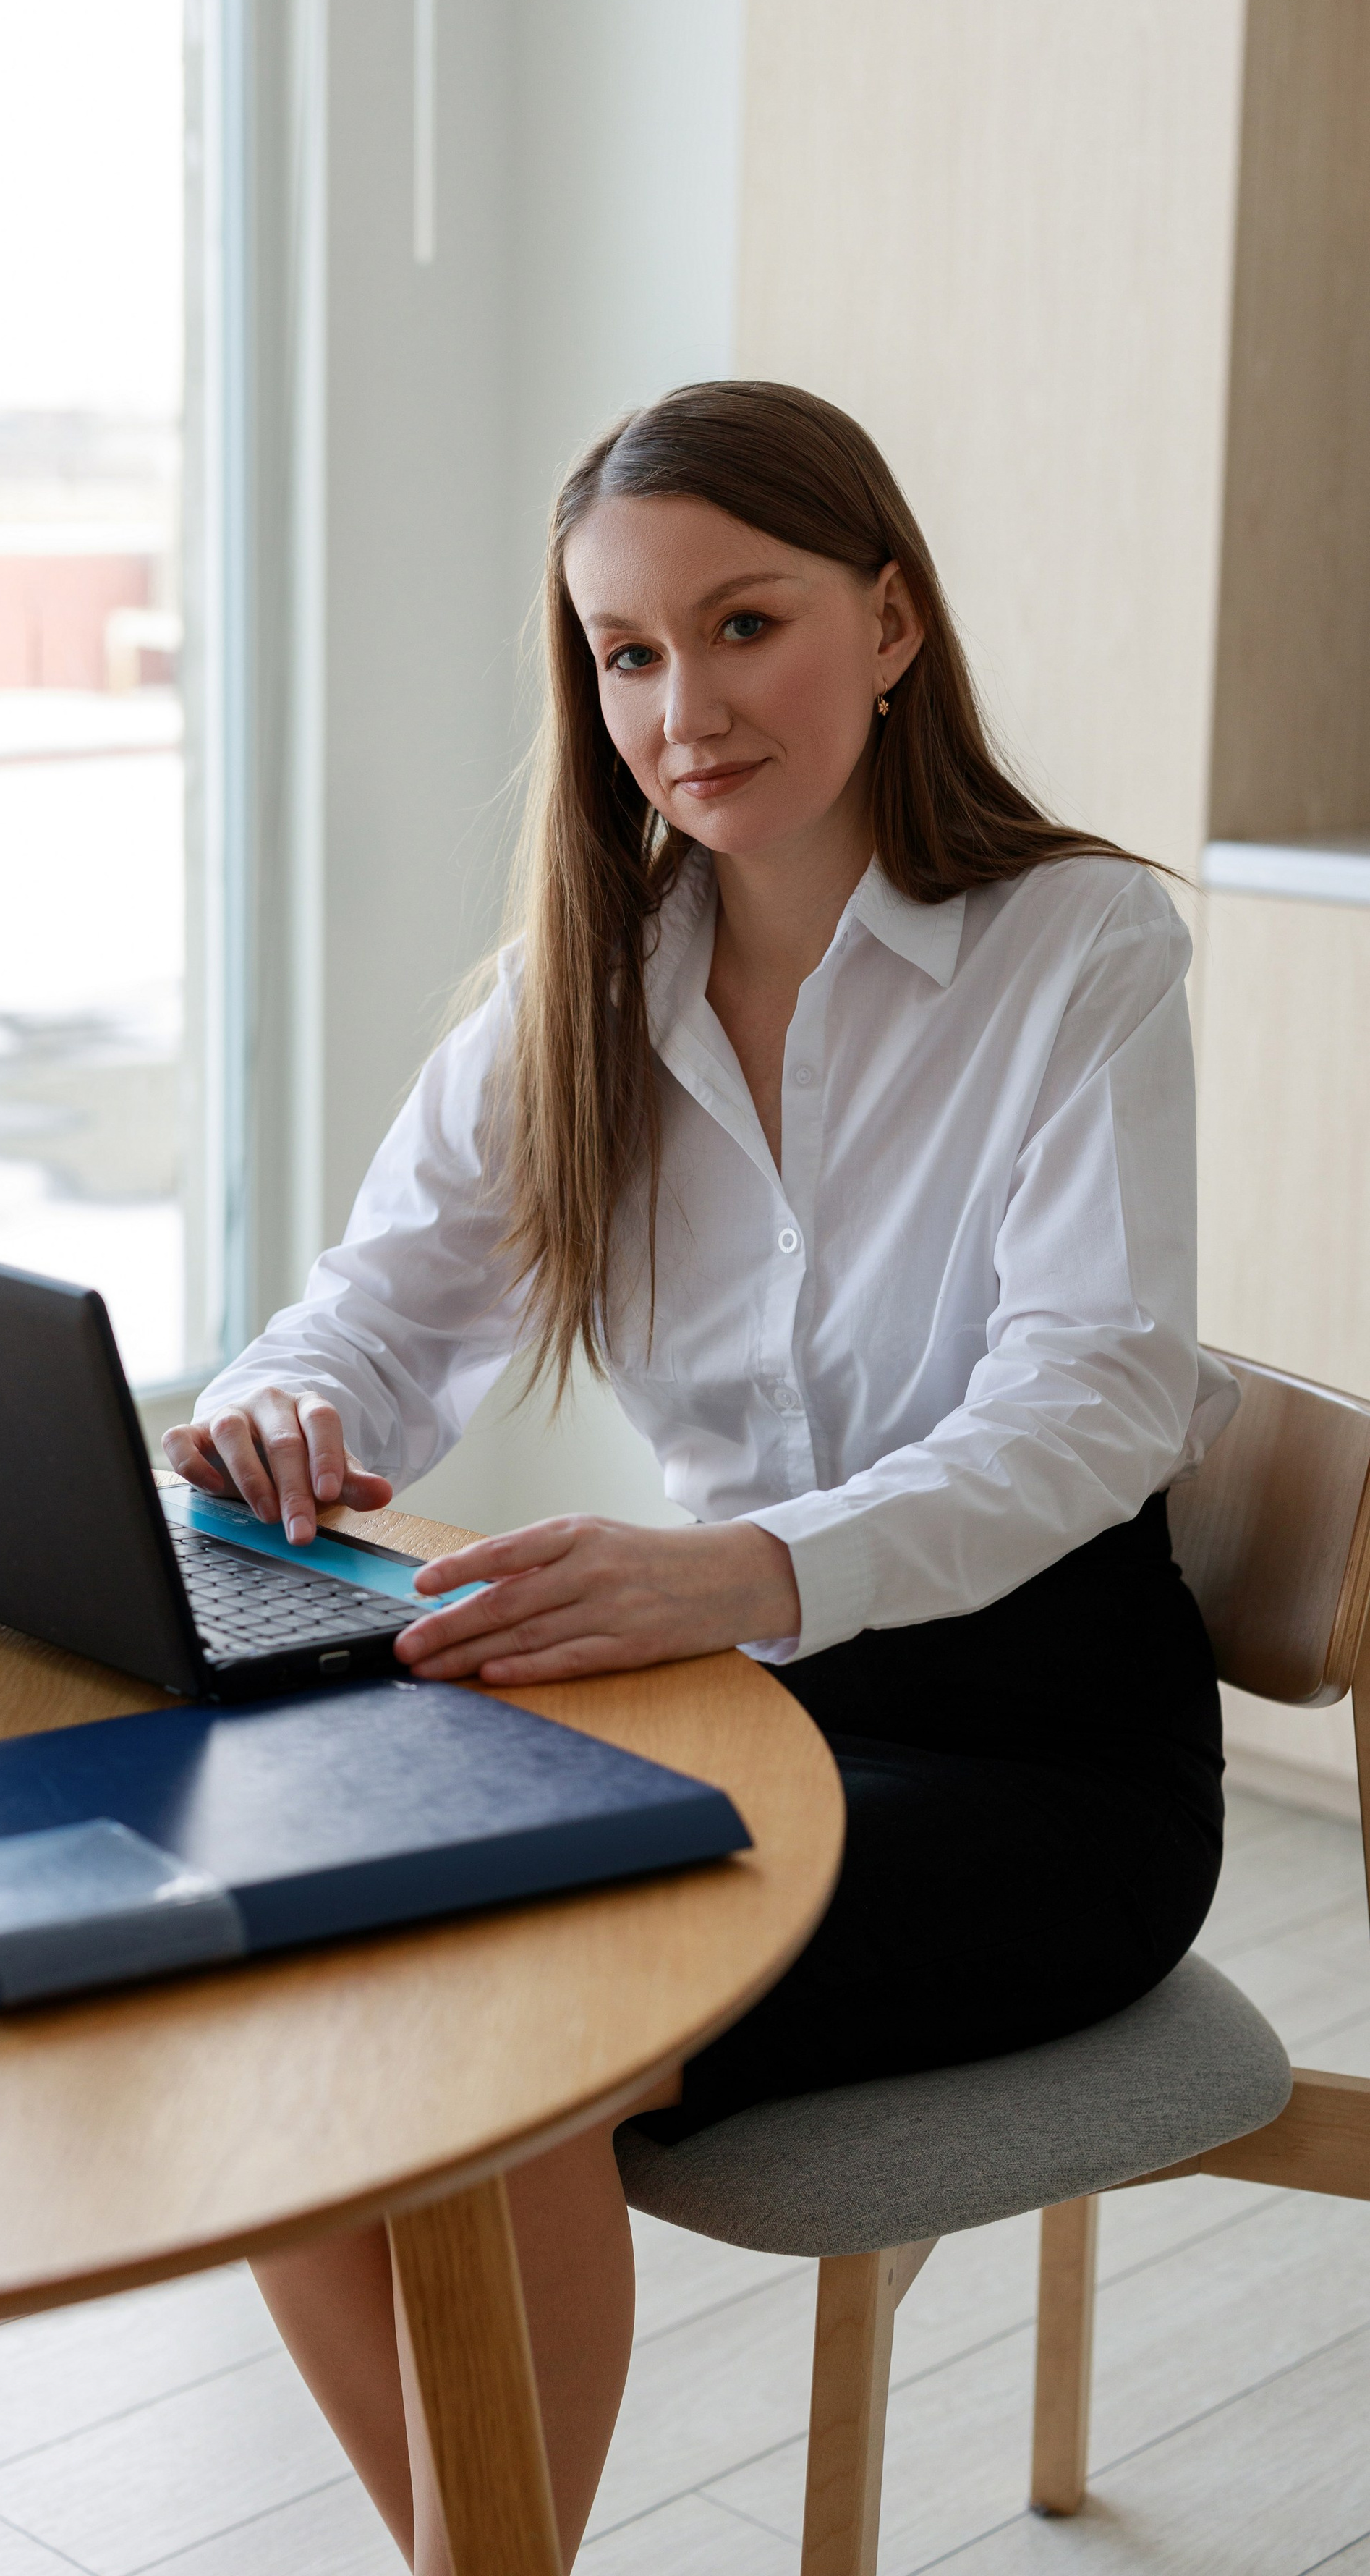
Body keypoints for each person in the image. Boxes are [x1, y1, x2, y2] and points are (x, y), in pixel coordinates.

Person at [163, 379, 1234, 2574]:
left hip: (1041, 1755)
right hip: (733, 1712)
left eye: (743, 625)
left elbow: (1098, 1399)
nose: (684, 706)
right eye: (627, 654)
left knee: (490, 2058)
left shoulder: (1081, 955)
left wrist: (736, 1570)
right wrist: (286, 1407)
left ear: (893, 621)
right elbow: (379, 1306)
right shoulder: (586, 983)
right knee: (302, 2051)